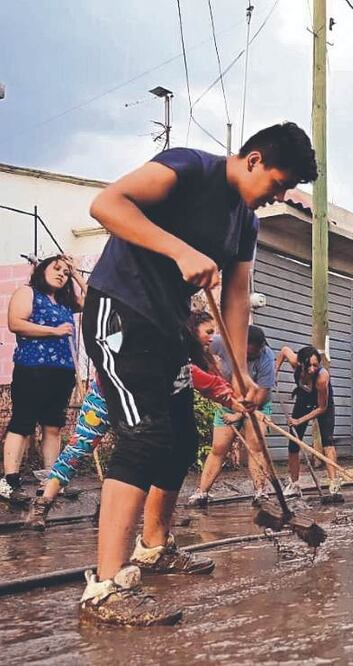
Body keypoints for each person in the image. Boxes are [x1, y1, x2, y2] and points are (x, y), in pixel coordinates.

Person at [80, 122, 317, 625]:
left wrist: (238, 372)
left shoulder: (245, 224)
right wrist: (178, 249)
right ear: (253, 159)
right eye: (275, 184)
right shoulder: (188, 168)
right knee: (143, 437)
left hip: (169, 324)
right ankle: (104, 587)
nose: (274, 197)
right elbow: (106, 204)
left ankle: (155, 546)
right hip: (120, 310)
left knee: (180, 436)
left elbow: (235, 295)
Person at [25, 310, 242, 530]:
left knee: (141, 456)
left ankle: (135, 513)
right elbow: (107, 350)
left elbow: (208, 383)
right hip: (105, 396)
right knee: (80, 446)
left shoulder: (182, 358)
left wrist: (237, 402)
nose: (212, 337)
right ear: (190, 329)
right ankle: (43, 503)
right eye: (209, 331)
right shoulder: (149, 338)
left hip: (135, 404)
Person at [1, 255, 85, 506]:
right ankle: (10, 481)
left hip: (62, 371)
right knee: (23, 422)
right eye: (56, 268)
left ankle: (51, 478)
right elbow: (15, 323)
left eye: (66, 272)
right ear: (42, 270)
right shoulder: (28, 293)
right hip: (32, 368)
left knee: (53, 425)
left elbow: (94, 301)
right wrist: (54, 330)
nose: (61, 274)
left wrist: (78, 274)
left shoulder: (66, 302)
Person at [188, 325, 277, 505]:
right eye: (247, 354)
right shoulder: (223, 343)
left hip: (257, 406)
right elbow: (199, 348)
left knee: (256, 447)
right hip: (229, 401)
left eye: (253, 355)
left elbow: (261, 393)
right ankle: (202, 492)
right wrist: (209, 368)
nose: (250, 358)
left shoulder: (267, 357)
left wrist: (241, 414)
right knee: (219, 447)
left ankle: (261, 491)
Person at [275, 344, 339, 498]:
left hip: (323, 405)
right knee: (293, 444)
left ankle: (334, 484)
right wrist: (274, 371)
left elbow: (322, 408)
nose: (311, 369)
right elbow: (284, 350)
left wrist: (299, 420)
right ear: (300, 363)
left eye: (315, 365)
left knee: (328, 442)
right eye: (308, 365)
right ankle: (294, 484)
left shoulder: (322, 377)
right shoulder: (295, 362)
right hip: (303, 400)